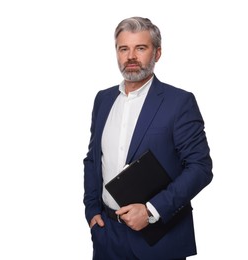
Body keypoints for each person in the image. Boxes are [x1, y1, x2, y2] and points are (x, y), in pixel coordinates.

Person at [83, 16, 213, 260]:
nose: (131, 56)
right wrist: (91, 211)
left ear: (157, 53)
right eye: (124, 48)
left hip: (160, 240)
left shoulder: (179, 103)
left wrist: (152, 210)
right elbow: (92, 159)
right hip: (107, 235)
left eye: (140, 48)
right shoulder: (103, 99)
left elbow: (201, 168)